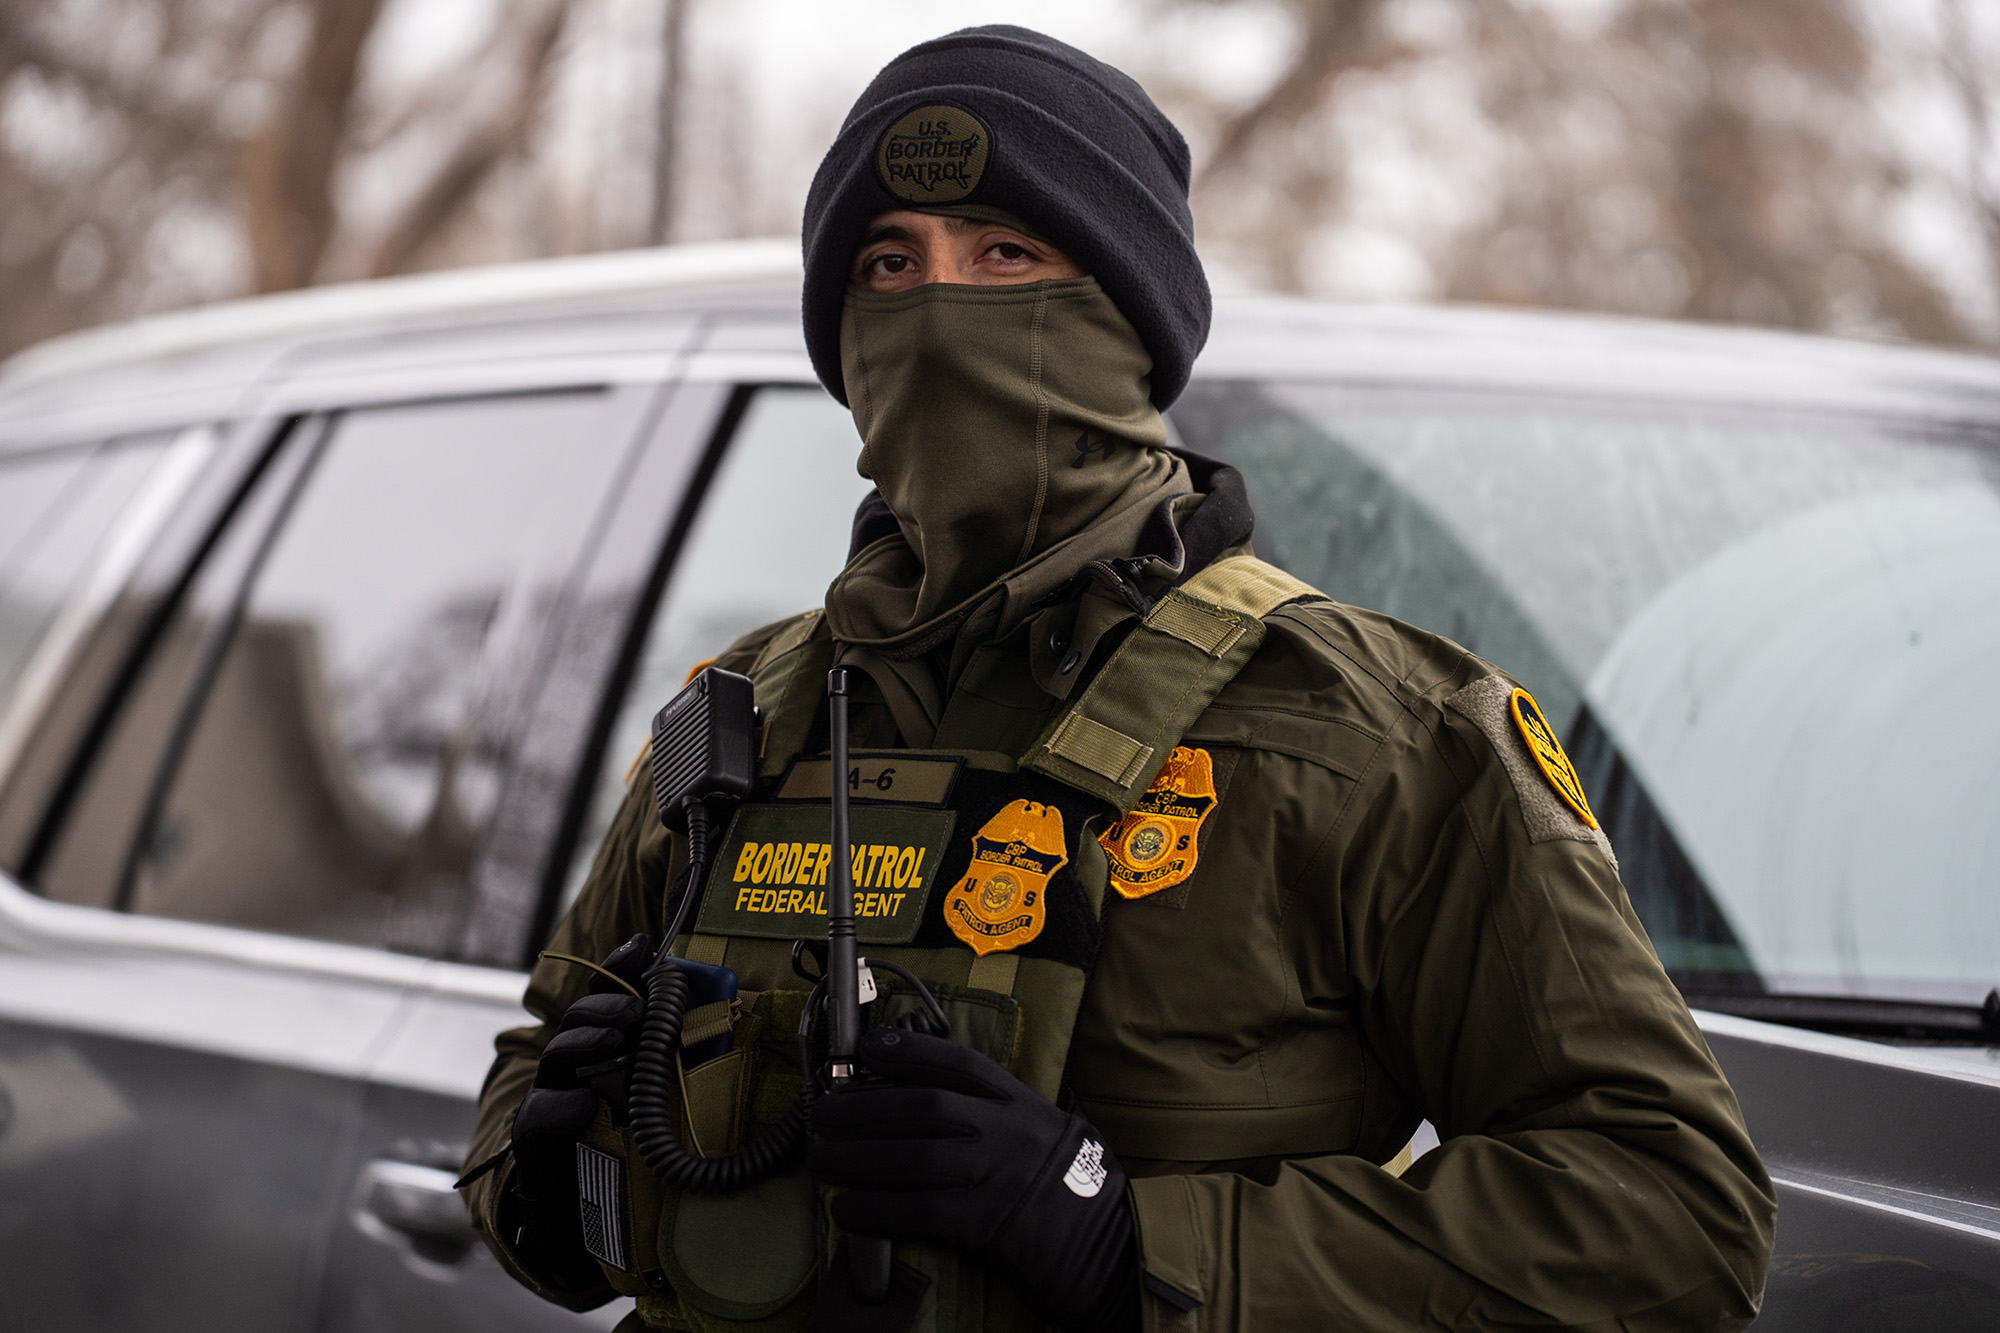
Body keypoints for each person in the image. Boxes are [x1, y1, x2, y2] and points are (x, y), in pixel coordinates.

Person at [461, 25, 1775, 1333]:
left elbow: (1673, 1214)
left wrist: (1123, 1237)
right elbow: (532, 1083)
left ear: (1129, 314)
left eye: (1005, 255)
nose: (939, 311)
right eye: (889, 264)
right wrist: (549, 1178)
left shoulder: (1375, 733)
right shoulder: (742, 716)